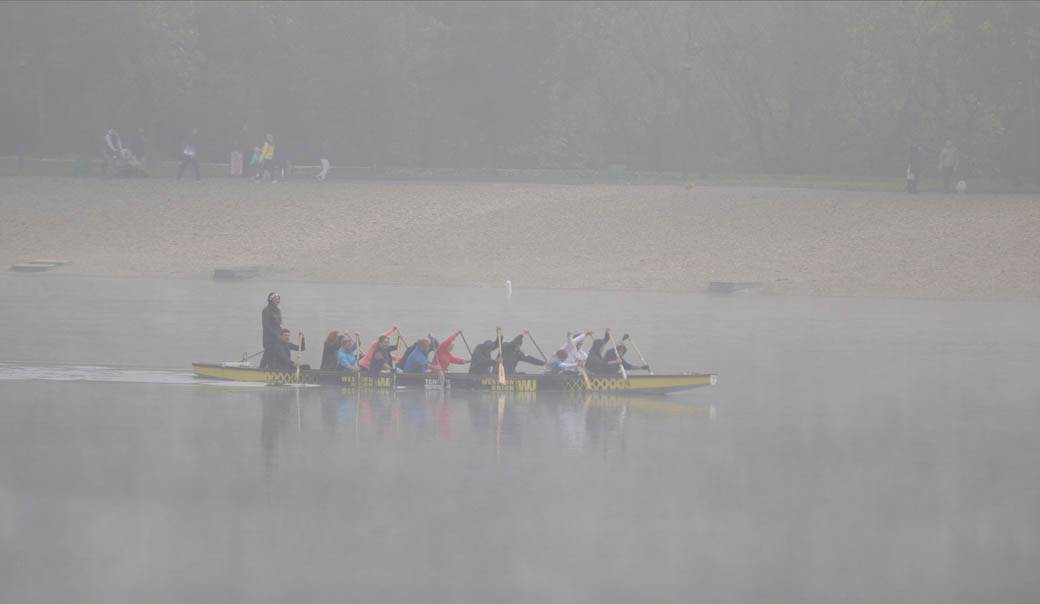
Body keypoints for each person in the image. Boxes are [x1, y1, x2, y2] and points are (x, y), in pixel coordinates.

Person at [258, 292, 282, 369]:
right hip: (269, 339)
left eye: (278, 299)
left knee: (275, 356)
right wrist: (277, 335)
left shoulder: (278, 310)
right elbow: (267, 326)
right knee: (267, 355)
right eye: (275, 299)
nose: (277, 300)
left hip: (277, 338)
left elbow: (278, 325)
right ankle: (260, 370)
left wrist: (282, 333)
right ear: (270, 300)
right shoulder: (266, 310)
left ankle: (272, 369)